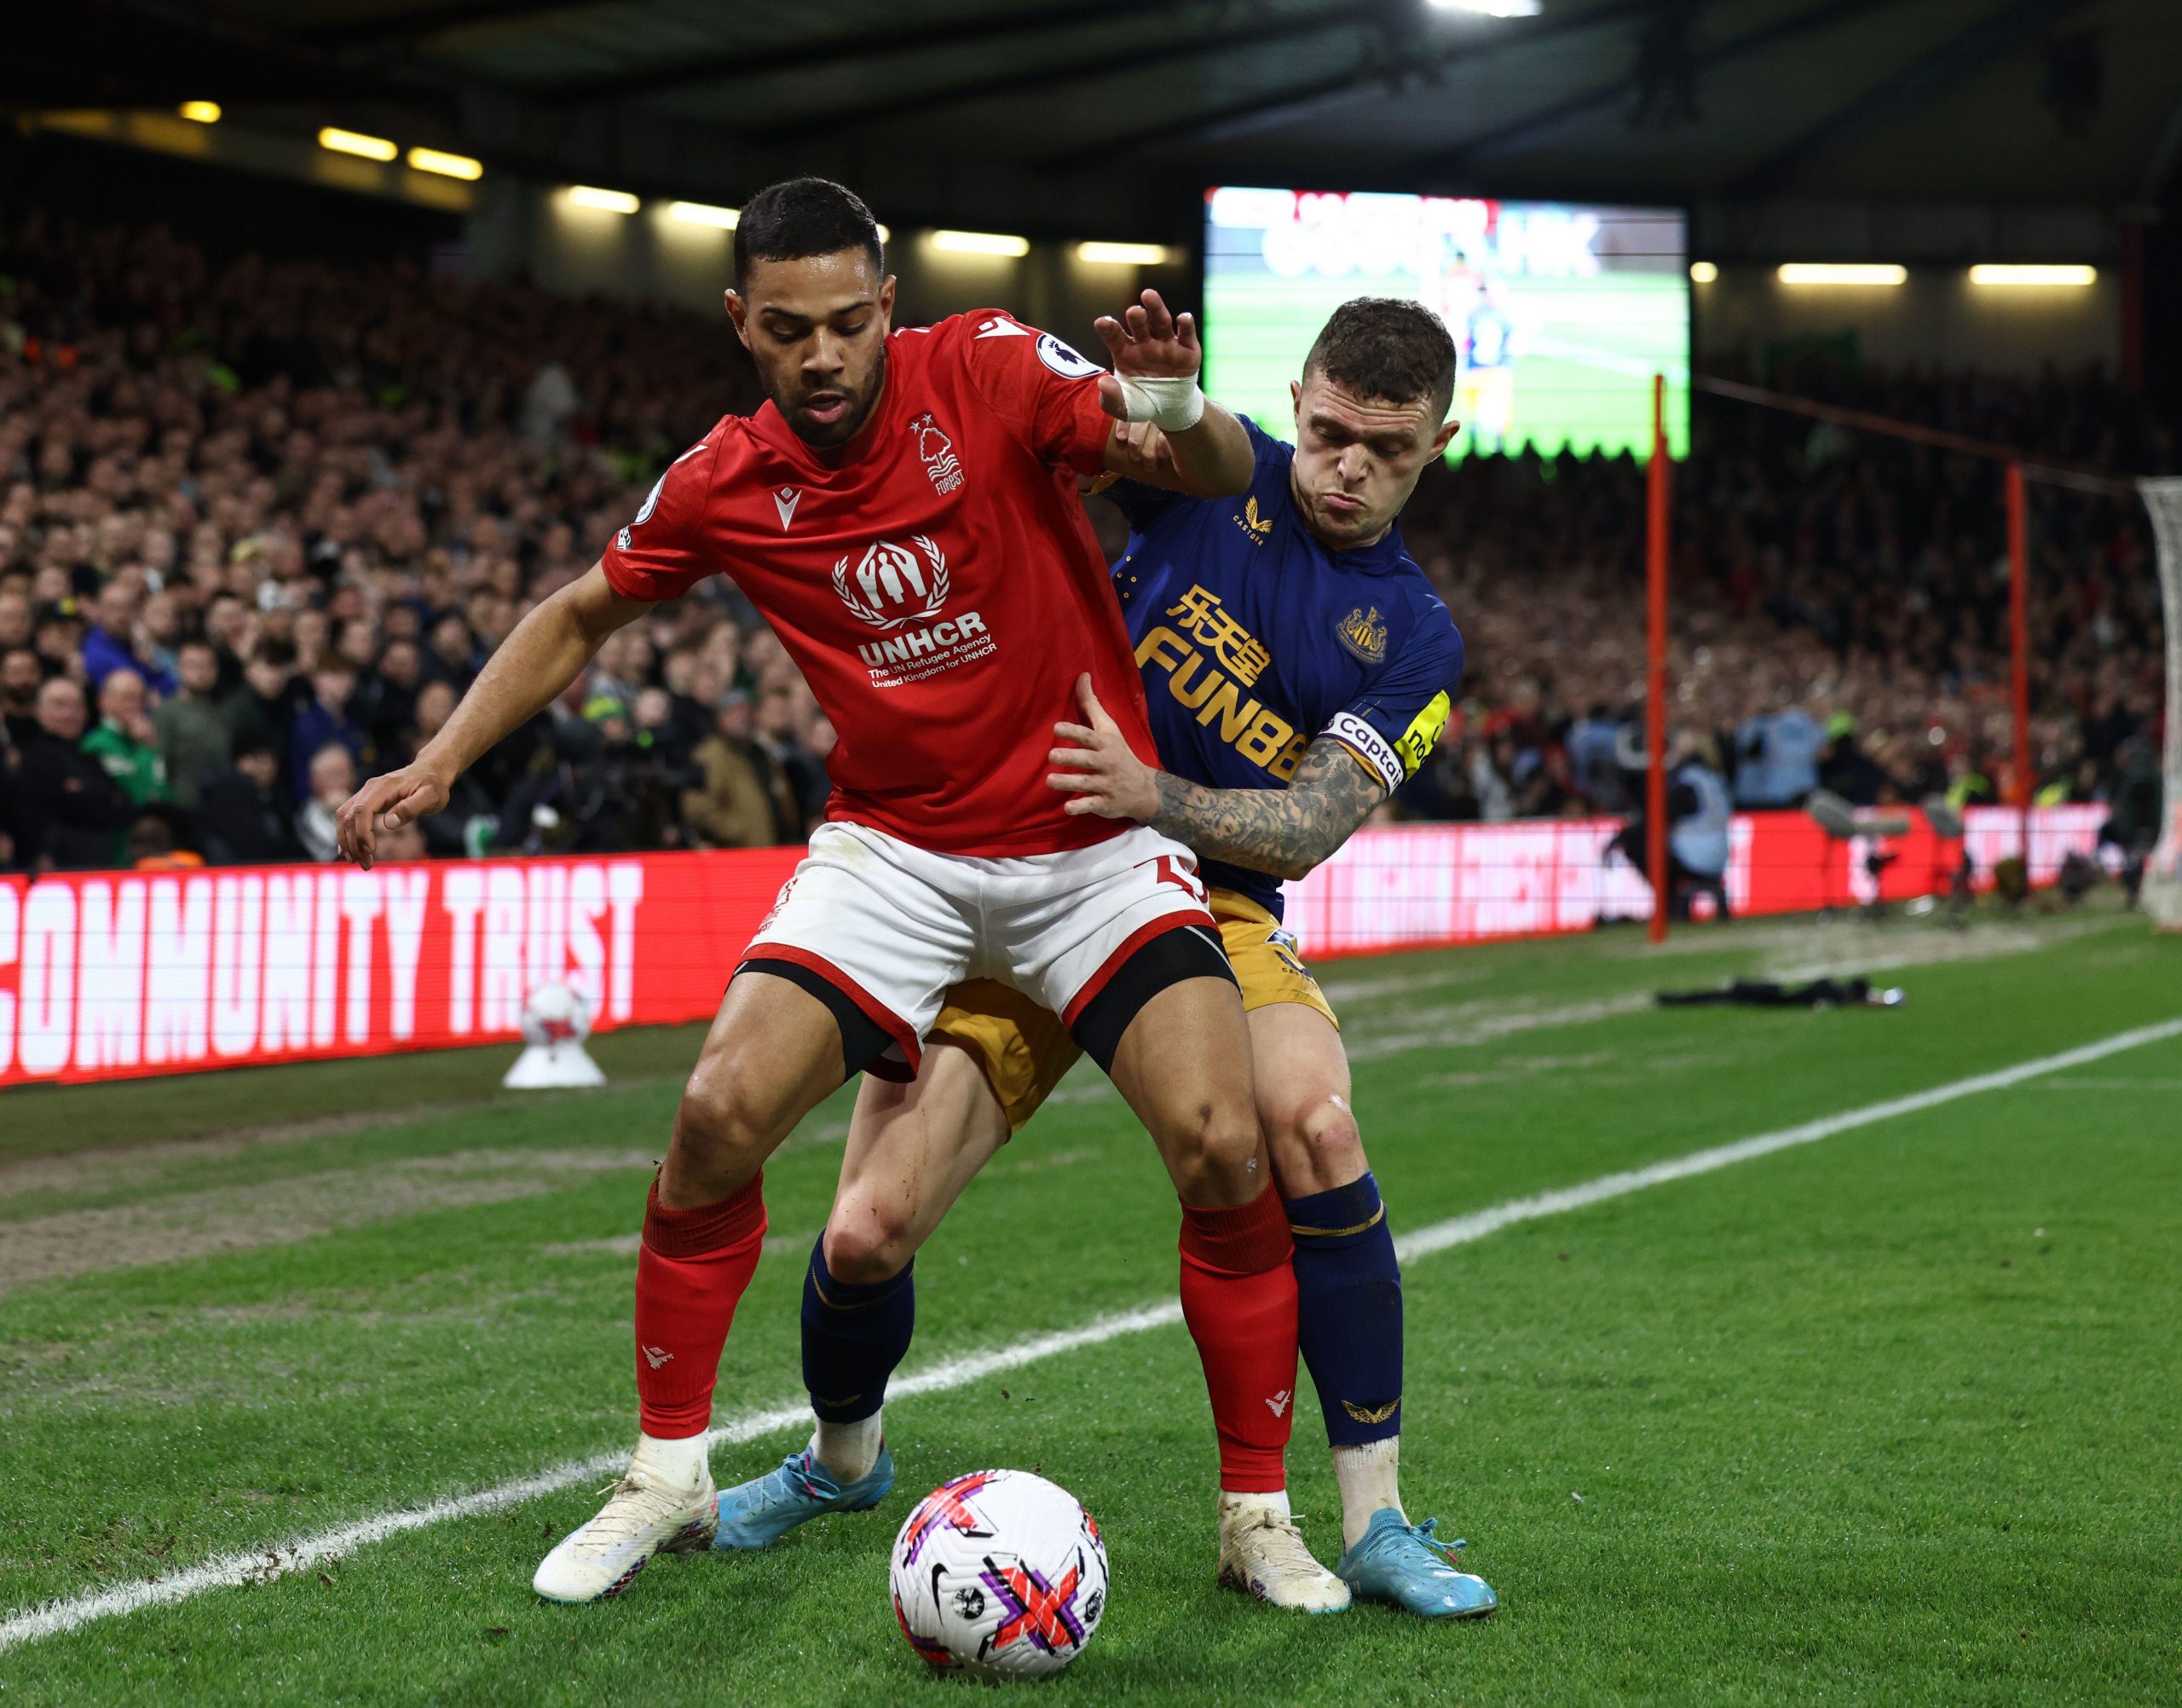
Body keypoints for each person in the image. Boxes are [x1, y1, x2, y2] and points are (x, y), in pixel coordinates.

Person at [335, 176, 1284, 1608]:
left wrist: (1183, 403)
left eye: (849, 322)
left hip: (1090, 835)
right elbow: (581, 608)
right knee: (716, 1112)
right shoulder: (724, 476)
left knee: (1224, 1140)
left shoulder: (991, 367)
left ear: (888, 305)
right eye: (790, 331)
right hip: (895, 847)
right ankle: (664, 1471)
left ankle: (1257, 1514)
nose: (825, 354)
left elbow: (1208, 466)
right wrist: (442, 756)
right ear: (742, 324)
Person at [710, 298, 1495, 1619]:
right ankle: (843, 1462)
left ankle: (1372, 1523)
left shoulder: (1414, 636)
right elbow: (1023, 449)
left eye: (1388, 449)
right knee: (865, 1229)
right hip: (1027, 872)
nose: (1348, 467)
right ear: (1292, 401)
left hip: (1212, 905)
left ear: (1438, 446)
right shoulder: (1211, 472)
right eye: (1328, 432)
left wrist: (1154, 796)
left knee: (1312, 1121)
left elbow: (1304, 831)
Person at [15, 676, 134, 869]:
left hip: (98, 867)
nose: (70, 714)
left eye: (77, 706)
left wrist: (84, 797)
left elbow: (122, 808)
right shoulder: (32, 758)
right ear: (39, 711)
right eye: (59, 705)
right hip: (55, 872)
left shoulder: (89, 757)